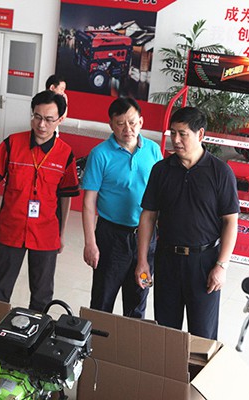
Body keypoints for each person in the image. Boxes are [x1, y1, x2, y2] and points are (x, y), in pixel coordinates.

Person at [135, 106, 239, 339]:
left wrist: (221, 266)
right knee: (166, 333)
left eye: (183, 134)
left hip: (204, 263)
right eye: (173, 133)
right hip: (167, 260)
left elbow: (231, 222)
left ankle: (198, 366)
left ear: (200, 134)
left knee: (202, 336)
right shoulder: (161, 170)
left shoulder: (220, 172)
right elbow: (148, 216)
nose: (176, 140)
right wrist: (142, 261)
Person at [0, 90, 80, 312]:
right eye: (37, 117)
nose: (41, 125)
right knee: (1, 290)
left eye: (49, 119)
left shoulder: (65, 154)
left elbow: (65, 198)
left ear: (60, 120)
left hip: (46, 233)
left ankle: (35, 331)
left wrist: (60, 234)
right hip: (12, 227)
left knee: (42, 295)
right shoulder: (12, 143)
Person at [82, 97, 162, 318]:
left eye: (132, 122)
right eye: (120, 123)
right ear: (111, 125)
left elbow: (162, 195)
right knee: (102, 299)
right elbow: (88, 202)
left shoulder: (154, 151)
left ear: (141, 122)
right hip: (111, 237)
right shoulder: (100, 154)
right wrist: (90, 243)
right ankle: (97, 339)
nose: (128, 129)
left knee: (139, 297)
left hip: (146, 237)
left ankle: (132, 339)